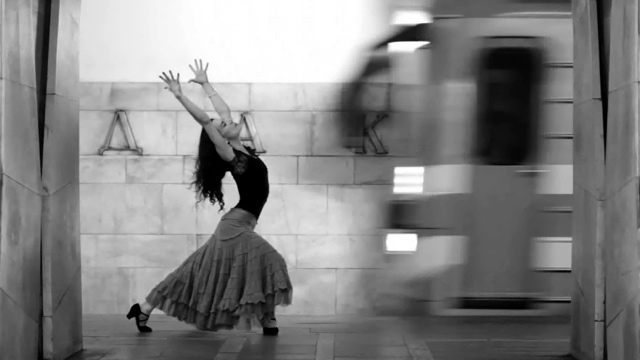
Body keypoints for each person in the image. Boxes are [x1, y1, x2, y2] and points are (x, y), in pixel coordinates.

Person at [126, 59, 293, 336]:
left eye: (226, 120)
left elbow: (222, 110)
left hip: (242, 223)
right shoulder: (231, 156)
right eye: (222, 125)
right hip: (235, 225)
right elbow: (206, 119)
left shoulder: (245, 151)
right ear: (220, 138)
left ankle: (143, 307)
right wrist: (180, 95)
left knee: (194, 271)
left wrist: (205, 84)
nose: (228, 120)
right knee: (269, 260)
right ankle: (268, 319)